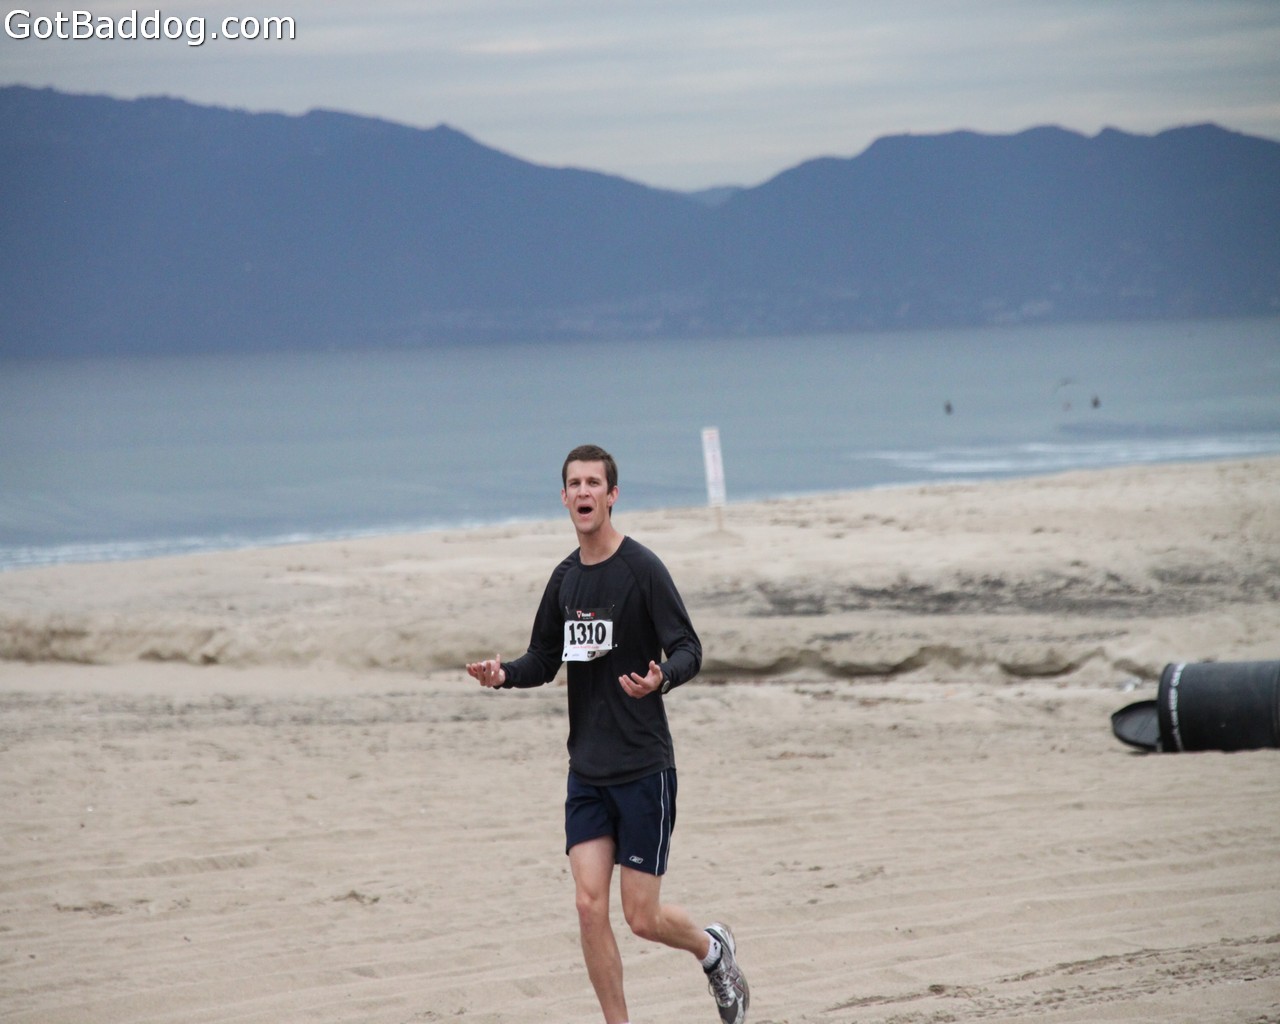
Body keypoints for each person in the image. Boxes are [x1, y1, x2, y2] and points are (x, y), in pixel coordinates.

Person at [466, 443, 749, 1024]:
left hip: (644, 768)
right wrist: (503, 676)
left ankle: (712, 949)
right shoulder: (565, 579)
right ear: (564, 497)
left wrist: (662, 676)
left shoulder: (642, 569)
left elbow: (689, 648)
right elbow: (543, 659)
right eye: (575, 484)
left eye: (594, 483)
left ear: (612, 495)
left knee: (642, 918)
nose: (584, 492)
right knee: (588, 906)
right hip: (588, 772)